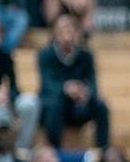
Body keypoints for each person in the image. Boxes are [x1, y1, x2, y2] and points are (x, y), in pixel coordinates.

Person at [37, 12, 110, 149]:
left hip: (78, 107)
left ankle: (103, 151)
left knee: (101, 106)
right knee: (54, 105)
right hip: (55, 107)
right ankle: (55, 152)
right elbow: (47, 85)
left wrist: (85, 92)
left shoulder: (86, 56)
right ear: (55, 32)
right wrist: (66, 89)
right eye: (64, 28)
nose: (68, 32)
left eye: (71, 28)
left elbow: (93, 83)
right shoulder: (45, 55)